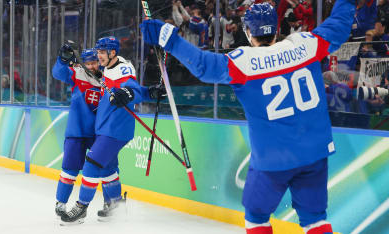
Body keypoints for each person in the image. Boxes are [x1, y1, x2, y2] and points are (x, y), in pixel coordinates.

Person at [140, 1, 355, 233]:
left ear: (248, 31)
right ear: (277, 26)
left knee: (257, 218)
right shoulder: (307, 44)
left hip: (272, 159)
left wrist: (168, 39)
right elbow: (340, 24)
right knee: (315, 220)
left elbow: (203, 66)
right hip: (315, 153)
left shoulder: (243, 62)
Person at [60, 36, 165, 224]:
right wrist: (149, 91)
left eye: (101, 52)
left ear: (113, 53)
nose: (98, 56)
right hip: (104, 127)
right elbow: (134, 90)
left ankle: (81, 207)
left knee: (91, 163)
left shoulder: (122, 67)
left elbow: (130, 85)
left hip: (115, 129)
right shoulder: (106, 69)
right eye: (98, 52)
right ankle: (116, 205)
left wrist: (129, 93)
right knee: (106, 166)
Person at [52, 47, 103, 219]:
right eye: (87, 63)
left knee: (106, 169)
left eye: (94, 62)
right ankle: (60, 202)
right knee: (69, 169)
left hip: (98, 133)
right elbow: (58, 73)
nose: (91, 66)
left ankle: (112, 203)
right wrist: (62, 59)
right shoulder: (77, 73)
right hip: (77, 131)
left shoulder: (107, 78)